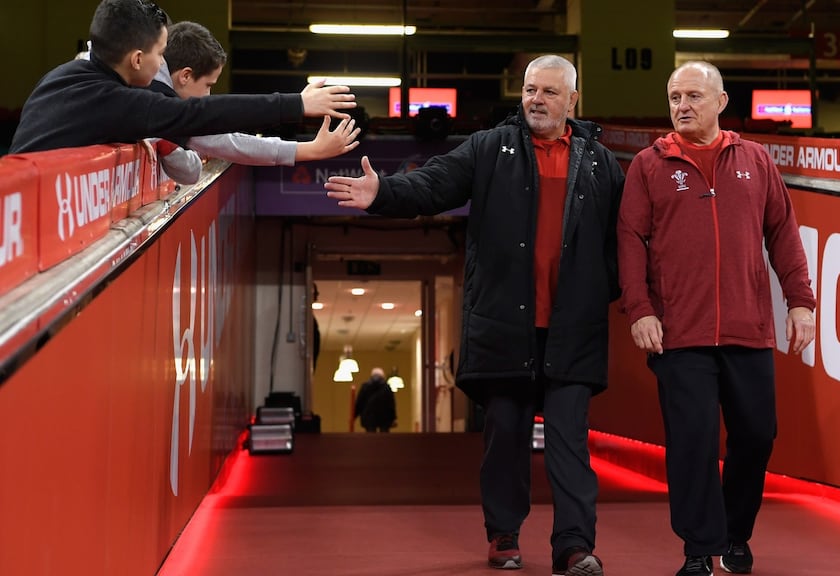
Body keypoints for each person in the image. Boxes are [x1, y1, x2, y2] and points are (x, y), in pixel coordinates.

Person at [324, 55, 623, 576]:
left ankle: (575, 548)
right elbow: (434, 183)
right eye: (530, 89)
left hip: (573, 331)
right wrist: (382, 194)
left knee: (570, 444)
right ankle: (503, 536)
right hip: (505, 326)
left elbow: (623, 242)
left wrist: (602, 290)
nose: (537, 99)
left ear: (573, 101)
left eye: (550, 92)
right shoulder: (490, 148)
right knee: (504, 438)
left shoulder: (602, 164)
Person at [616, 61, 816, 576]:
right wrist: (639, 309)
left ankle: (735, 533)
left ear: (721, 102)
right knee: (693, 440)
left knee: (757, 434)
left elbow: (784, 234)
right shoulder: (648, 165)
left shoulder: (756, 160)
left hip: (748, 330)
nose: (683, 106)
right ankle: (699, 549)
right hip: (680, 335)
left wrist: (801, 302)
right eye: (675, 97)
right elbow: (629, 241)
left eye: (694, 97)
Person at [10, 0, 355, 154]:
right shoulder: (116, 101)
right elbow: (199, 116)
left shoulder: (60, 76)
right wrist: (296, 104)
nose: (163, 61)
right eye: (161, 53)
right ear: (137, 59)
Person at [149, 20, 360, 180]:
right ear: (185, 75)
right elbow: (229, 139)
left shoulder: (164, 98)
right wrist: (298, 107)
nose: (208, 97)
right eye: (208, 86)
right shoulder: (150, 98)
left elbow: (215, 148)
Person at [353, 367, 396, 433]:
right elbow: (391, 405)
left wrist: (354, 416)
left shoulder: (365, 386)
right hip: (384, 418)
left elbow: (359, 403)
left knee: (370, 440)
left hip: (368, 417)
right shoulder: (387, 387)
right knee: (385, 440)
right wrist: (393, 418)